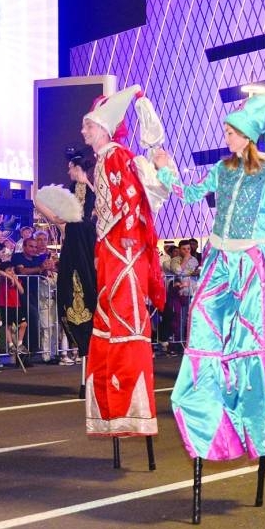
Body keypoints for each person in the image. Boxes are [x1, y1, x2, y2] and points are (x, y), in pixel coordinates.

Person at [158, 83, 265, 459]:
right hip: (218, 261)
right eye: (226, 131)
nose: (225, 136)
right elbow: (192, 194)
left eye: (230, 132)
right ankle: (208, 415)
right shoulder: (220, 169)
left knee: (250, 344)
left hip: (251, 263)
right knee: (203, 326)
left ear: (247, 136)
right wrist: (166, 172)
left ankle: (254, 426)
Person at [81, 84, 166, 438]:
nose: (83, 131)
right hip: (115, 256)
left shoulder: (116, 156)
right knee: (111, 328)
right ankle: (114, 413)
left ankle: (131, 412)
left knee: (125, 327)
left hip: (122, 257)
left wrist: (114, 244)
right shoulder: (106, 159)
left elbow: (128, 206)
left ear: (101, 127)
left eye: (87, 125)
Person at [34, 146, 98, 367]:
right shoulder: (90, 187)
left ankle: (83, 338)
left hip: (78, 244)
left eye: (69, 168)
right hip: (83, 240)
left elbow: (71, 218)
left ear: (76, 167)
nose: (67, 171)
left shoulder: (80, 186)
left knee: (76, 286)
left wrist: (45, 210)